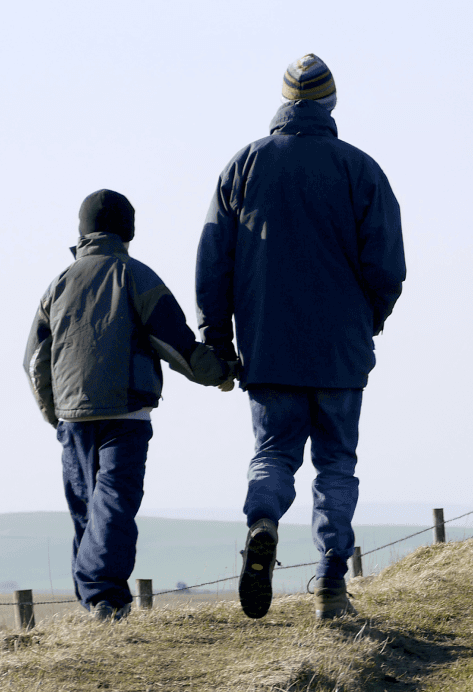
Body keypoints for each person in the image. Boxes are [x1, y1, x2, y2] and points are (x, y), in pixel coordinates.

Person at [195, 54, 405, 621]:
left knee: (273, 454)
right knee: (336, 464)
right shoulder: (361, 170)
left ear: (284, 103)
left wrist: (219, 339)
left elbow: (214, 262)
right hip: (341, 351)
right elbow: (388, 266)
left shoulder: (244, 166)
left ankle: (262, 522)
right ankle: (331, 582)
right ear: (331, 104)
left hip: (268, 348)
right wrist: (368, 321)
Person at [24, 189, 234, 620]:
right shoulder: (136, 276)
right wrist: (222, 374)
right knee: (114, 504)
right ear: (129, 230)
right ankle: (106, 599)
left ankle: (96, 602)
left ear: (83, 231)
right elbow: (175, 345)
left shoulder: (57, 284)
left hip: (72, 418)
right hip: (126, 414)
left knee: (87, 509)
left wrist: (54, 414)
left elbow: (34, 361)